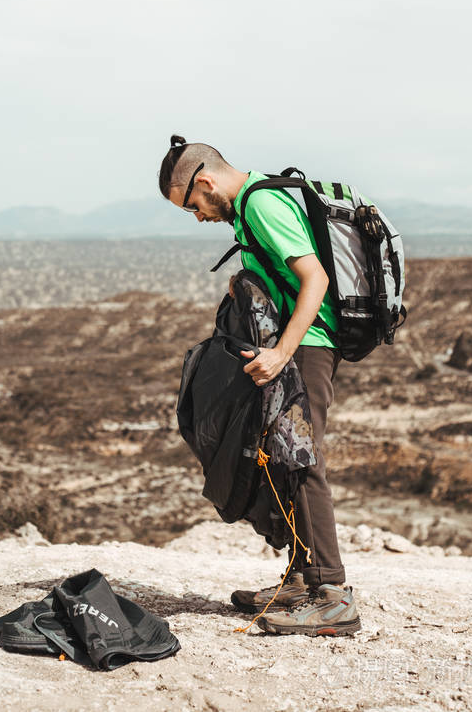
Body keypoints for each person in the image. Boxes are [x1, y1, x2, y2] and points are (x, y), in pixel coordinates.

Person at [158, 135, 360, 638]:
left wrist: (282, 352)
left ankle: (331, 594)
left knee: (301, 459)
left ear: (204, 182)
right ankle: (300, 579)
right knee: (279, 453)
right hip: (297, 344)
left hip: (307, 346)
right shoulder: (248, 212)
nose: (199, 217)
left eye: (193, 206)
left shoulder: (261, 204)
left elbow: (315, 280)